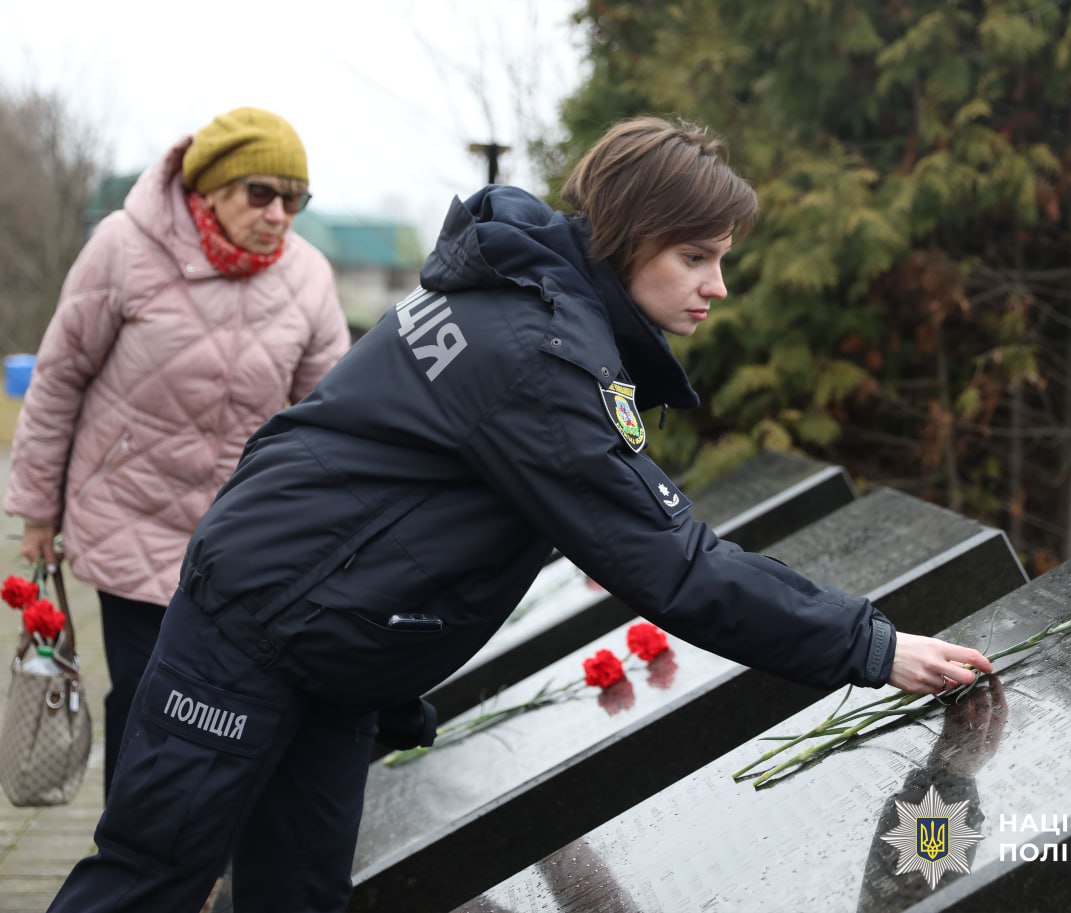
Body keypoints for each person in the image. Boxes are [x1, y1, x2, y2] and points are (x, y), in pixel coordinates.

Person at [47, 115, 991, 913]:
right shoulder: (540, 354)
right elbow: (676, 565)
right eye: (695, 257)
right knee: (150, 876)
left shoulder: (522, 295)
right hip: (255, 625)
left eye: (721, 260)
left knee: (297, 894)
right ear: (627, 241)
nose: (717, 286)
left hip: (328, 652)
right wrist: (869, 646)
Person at [3, 107, 350, 800]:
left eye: (295, 199)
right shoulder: (123, 247)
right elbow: (60, 376)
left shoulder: (310, 276)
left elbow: (333, 416)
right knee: (143, 694)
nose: (280, 214)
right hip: (129, 513)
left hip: (236, 536)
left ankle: (192, 855)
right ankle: (132, 861)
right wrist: (35, 510)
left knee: (216, 704)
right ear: (211, 189)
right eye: (261, 193)